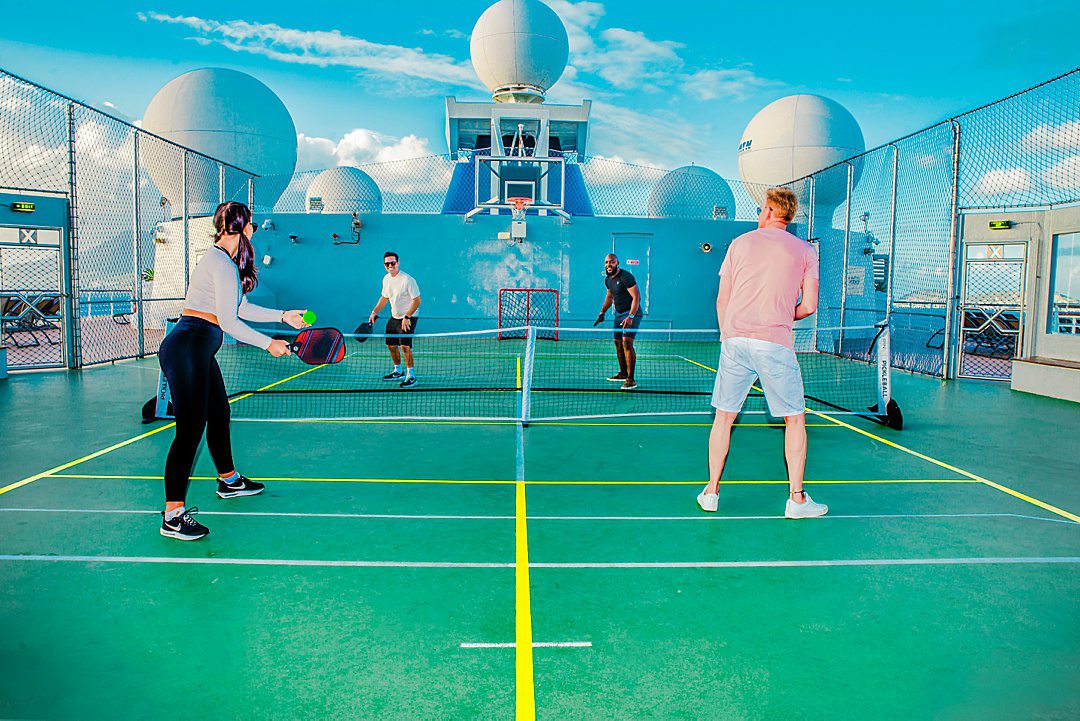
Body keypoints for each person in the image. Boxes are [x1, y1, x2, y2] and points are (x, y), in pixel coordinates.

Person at [158, 201, 310, 540]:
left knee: (219, 413)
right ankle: (173, 515)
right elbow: (228, 322)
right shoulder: (220, 263)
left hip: (198, 348)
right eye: (251, 224)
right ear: (241, 228)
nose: (254, 230)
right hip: (189, 346)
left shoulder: (220, 262)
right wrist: (268, 344)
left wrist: (282, 315)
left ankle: (228, 480)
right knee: (190, 430)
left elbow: (239, 307)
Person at [697, 187, 827, 519]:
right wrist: (784, 315)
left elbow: (721, 299)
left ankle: (711, 492)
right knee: (794, 419)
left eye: (761, 209)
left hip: (735, 341)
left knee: (724, 417)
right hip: (774, 342)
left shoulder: (739, 244)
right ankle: (796, 500)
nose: (759, 215)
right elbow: (808, 306)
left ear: (769, 211)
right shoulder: (806, 251)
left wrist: (728, 335)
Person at [368, 251, 421, 388]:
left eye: (393, 263)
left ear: (398, 263)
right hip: (395, 317)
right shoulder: (386, 279)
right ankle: (398, 371)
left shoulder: (408, 280)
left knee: (404, 346)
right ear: (384, 265)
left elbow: (417, 301)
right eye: (387, 263)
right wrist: (374, 312)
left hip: (409, 316)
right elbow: (385, 297)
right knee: (391, 345)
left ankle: (411, 376)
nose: (390, 265)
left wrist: (407, 317)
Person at [595, 253, 641, 390]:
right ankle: (622, 373)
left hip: (632, 313)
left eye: (611, 262)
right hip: (619, 314)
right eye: (606, 262)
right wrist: (602, 312)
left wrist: (631, 317)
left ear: (617, 263)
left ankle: (631, 379)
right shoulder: (608, 279)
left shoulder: (626, 277)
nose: (608, 265)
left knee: (627, 343)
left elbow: (636, 297)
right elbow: (610, 297)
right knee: (618, 343)